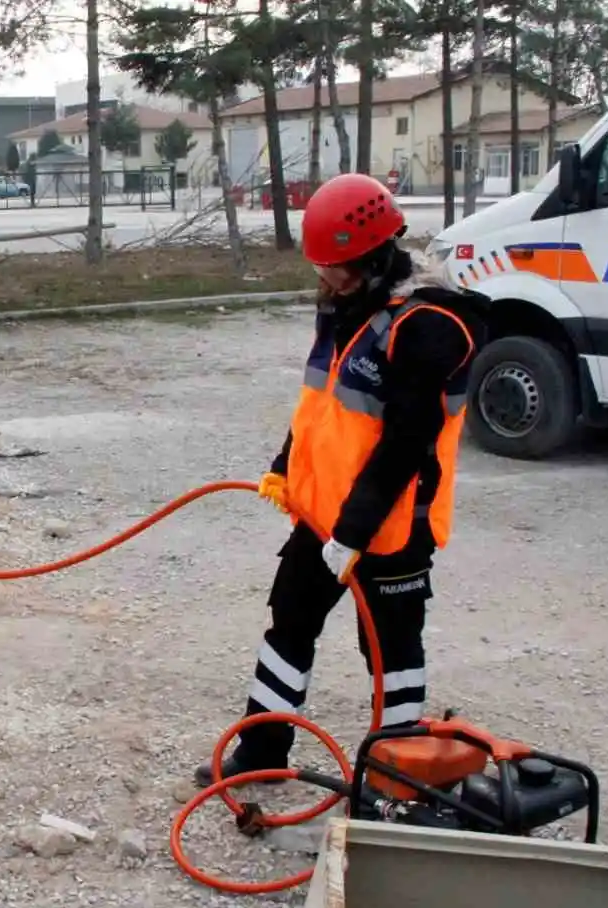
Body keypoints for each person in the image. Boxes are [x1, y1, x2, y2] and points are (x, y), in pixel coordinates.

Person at [196, 173, 487, 788]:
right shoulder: (344, 307)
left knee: (390, 653)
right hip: (324, 519)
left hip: (390, 529)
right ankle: (262, 752)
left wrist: (356, 532)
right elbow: (322, 404)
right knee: (289, 624)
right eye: (324, 267)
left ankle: (396, 776)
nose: (328, 279)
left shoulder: (426, 325)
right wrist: (286, 468)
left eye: (340, 268)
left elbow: (405, 445)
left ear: (378, 255)